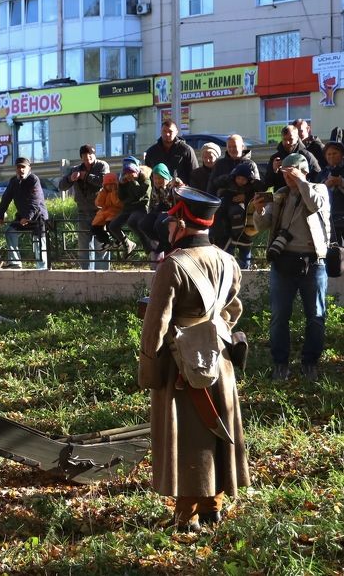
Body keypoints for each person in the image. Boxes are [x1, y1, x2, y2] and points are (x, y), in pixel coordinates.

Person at [139, 186, 249, 533]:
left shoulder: (173, 266)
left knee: (188, 437)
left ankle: (186, 516)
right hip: (219, 360)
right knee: (215, 430)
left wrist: (150, 371)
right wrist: (211, 332)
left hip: (181, 364)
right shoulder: (227, 260)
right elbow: (232, 309)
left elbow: (155, 325)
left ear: (183, 223)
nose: (168, 226)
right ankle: (213, 505)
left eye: (172, 220)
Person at [253, 152, 332, 381]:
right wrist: (259, 210)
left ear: (303, 171)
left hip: (313, 262)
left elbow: (314, 205)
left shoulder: (319, 190)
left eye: (291, 172)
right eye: (284, 173)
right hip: (283, 262)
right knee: (279, 316)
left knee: (316, 316)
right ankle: (280, 363)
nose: (287, 178)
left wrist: (301, 181)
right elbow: (263, 225)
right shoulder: (280, 195)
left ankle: (310, 362)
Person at [59, 144, 110, 269]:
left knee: (101, 244)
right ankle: (86, 273)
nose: (88, 157)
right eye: (85, 155)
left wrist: (85, 176)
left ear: (94, 155)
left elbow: (104, 181)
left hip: (100, 211)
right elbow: (61, 186)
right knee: (84, 247)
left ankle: (102, 275)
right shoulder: (75, 169)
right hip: (83, 212)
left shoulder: (102, 165)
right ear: (81, 157)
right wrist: (70, 179)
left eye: (90, 154)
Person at [0, 157, 48, 269]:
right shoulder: (13, 181)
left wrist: (27, 217)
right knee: (10, 232)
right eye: (18, 167)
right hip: (22, 217)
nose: (21, 169)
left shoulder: (33, 179)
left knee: (38, 243)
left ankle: (42, 268)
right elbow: (5, 199)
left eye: (23, 167)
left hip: (38, 217)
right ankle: (15, 263)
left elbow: (36, 201)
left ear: (29, 168)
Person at [218, 164, 262, 269]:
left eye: (244, 179)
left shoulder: (252, 191)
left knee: (245, 259)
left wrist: (246, 198)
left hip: (247, 229)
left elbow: (261, 191)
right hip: (230, 230)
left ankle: (244, 271)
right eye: (238, 178)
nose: (240, 181)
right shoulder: (228, 190)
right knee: (227, 259)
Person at [108, 156, 152, 258]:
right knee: (112, 225)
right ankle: (127, 243)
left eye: (131, 172)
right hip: (128, 209)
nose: (128, 175)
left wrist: (133, 182)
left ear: (137, 171)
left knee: (132, 221)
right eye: (126, 173)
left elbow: (139, 196)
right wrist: (122, 185)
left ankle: (148, 246)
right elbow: (121, 198)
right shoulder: (126, 181)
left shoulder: (145, 180)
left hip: (141, 208)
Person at [139, 163, 182, 260]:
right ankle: (161, 241)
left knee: (160, 223)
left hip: (172, 211)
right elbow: (154, 203)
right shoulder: (154, 188)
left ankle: (165, 243)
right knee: (144, 224)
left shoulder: (173, 186)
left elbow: (175, 200)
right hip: (159, 210)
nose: (158, 181)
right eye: (155, 178)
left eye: (160, 178)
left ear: (166, 176)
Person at [264, 124, 321, 191]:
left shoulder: (306, 156)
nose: (287, 142)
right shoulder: (275, 158)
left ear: (297, 138)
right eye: (284, 139)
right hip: (283, 198)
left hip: (302, 197)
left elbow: (318, 177)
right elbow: (267, 184)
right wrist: (273, 170)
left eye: (290, 139)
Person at [317, 140, 344, 245]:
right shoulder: (323, 173)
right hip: (329, 217)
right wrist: (325, 186)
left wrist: (341, 182)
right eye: (328, 154)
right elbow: (315, 192)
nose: (331, 156)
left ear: (342, 154)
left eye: (335, 153)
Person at [91, 172, 123, 252]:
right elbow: (98, 203)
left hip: (115, 212)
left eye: (112, 184)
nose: (110, 187)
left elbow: (117, 203)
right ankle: (106, 241)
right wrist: (102, 193)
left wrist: (113, 192)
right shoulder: (103, 192)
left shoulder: (118, 192)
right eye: (108, 185)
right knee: (95, 227)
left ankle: (119, 240)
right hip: (104, 212)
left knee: (110, 226)